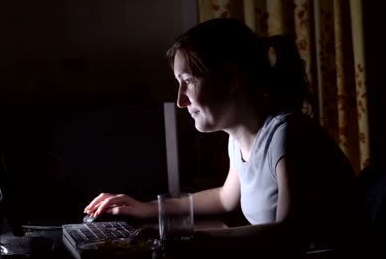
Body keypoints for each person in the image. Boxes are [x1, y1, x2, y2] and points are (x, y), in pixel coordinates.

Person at [84, 18, 367, 257]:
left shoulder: (288, 135)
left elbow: (290, 236)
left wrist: (184, 239)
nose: (181, 101)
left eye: (189, 82)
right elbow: (225, 199)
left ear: (232, 79)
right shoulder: (240, 138)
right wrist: (144, 209)